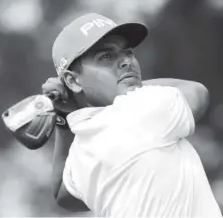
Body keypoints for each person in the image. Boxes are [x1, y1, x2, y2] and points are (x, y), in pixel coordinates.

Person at [42, 13, 222, 217]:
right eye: (106, 56)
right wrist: (129, 86)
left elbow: (62, 194)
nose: (126, 61)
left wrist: (64, 119)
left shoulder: (81, 149)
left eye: (127, 52)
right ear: (73, 81)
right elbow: (197, 92)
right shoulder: (142, 109)